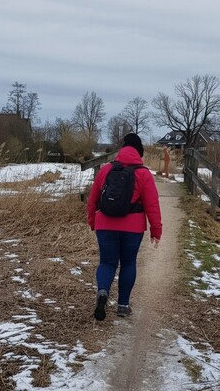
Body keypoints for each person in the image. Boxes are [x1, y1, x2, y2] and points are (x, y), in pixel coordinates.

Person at [87, 133, 162, 321]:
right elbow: (152, 205)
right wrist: (156, 230)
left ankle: (103, 292)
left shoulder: (106, 170)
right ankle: (123, 305)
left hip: (105, 224)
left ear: (122, 149)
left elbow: (93, 199)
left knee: (107, 262)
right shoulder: (143, 174)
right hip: (132, 228)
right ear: (139, 152)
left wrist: (92, 221)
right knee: (128, 263)